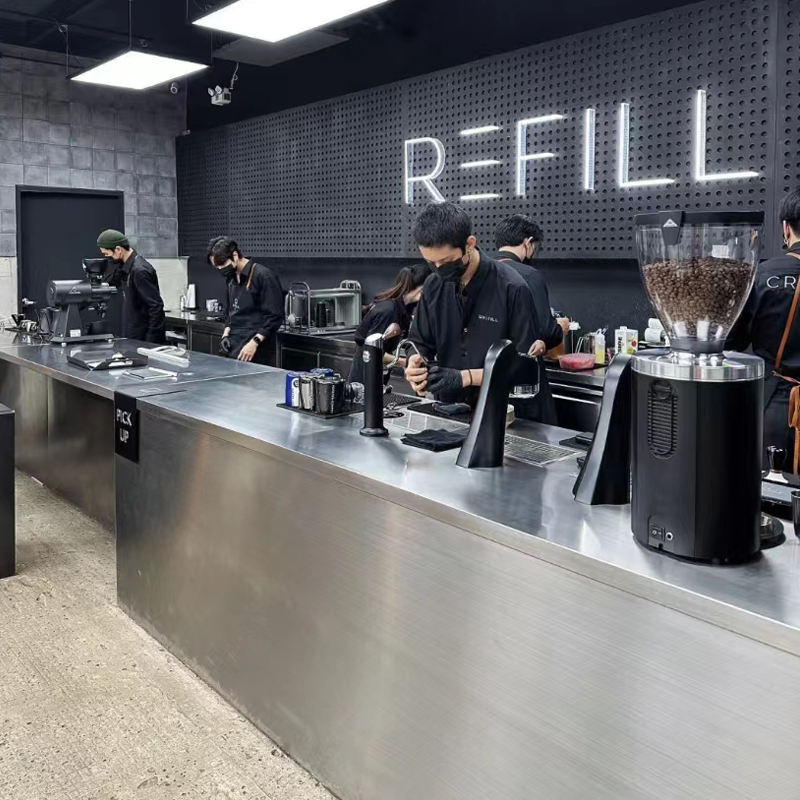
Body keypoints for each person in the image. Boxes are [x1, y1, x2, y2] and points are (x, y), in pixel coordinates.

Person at [404, 202, 555, 422]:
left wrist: (466, 377)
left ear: (469, 244)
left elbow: (525, 369)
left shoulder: (512, 287)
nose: (439, 269)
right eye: (431, 263)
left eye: (446, 261)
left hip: (505, 416)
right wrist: (414, 362)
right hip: (451, 412)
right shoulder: (433, 286)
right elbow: (419, 341)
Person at [727, 188, 800, 471]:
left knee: (769, 489)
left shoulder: (763, 274)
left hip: (775, 406)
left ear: (785, 227)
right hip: (777, 403)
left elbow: (731, 342)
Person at [349, 262, 432, 383]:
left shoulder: (404, 309)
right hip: (365, 379)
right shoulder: (389, 311)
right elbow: (372, 351)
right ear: (422, 289)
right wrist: (405, 362)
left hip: (377, 376)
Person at [494, 214, 566, 350]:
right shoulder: (529, 275)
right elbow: (545, 331)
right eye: (534, 246)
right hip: (516, 358)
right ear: (528, 242)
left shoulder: (480, 269)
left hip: (480, 357)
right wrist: (559, 328)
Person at [209, 237, 284, 364]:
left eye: (222, 264)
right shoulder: (231, 278)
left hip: (257, 349)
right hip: (233, 346)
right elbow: (230, 312)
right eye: (217, 267)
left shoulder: (263, 276)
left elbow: (274, 317)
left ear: (235, 255)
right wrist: (225, 335)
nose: (221, 269)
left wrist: (254, 342)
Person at [97, 229, 166, 343]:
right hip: (133, 333)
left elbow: (156, 306)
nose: (107, 258)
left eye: (107, 254)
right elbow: (110, 282)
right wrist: (114, 263)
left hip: (144, 338)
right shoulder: (125, 267)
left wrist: (150, 340)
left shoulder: (139, 271)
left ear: (118, 249)